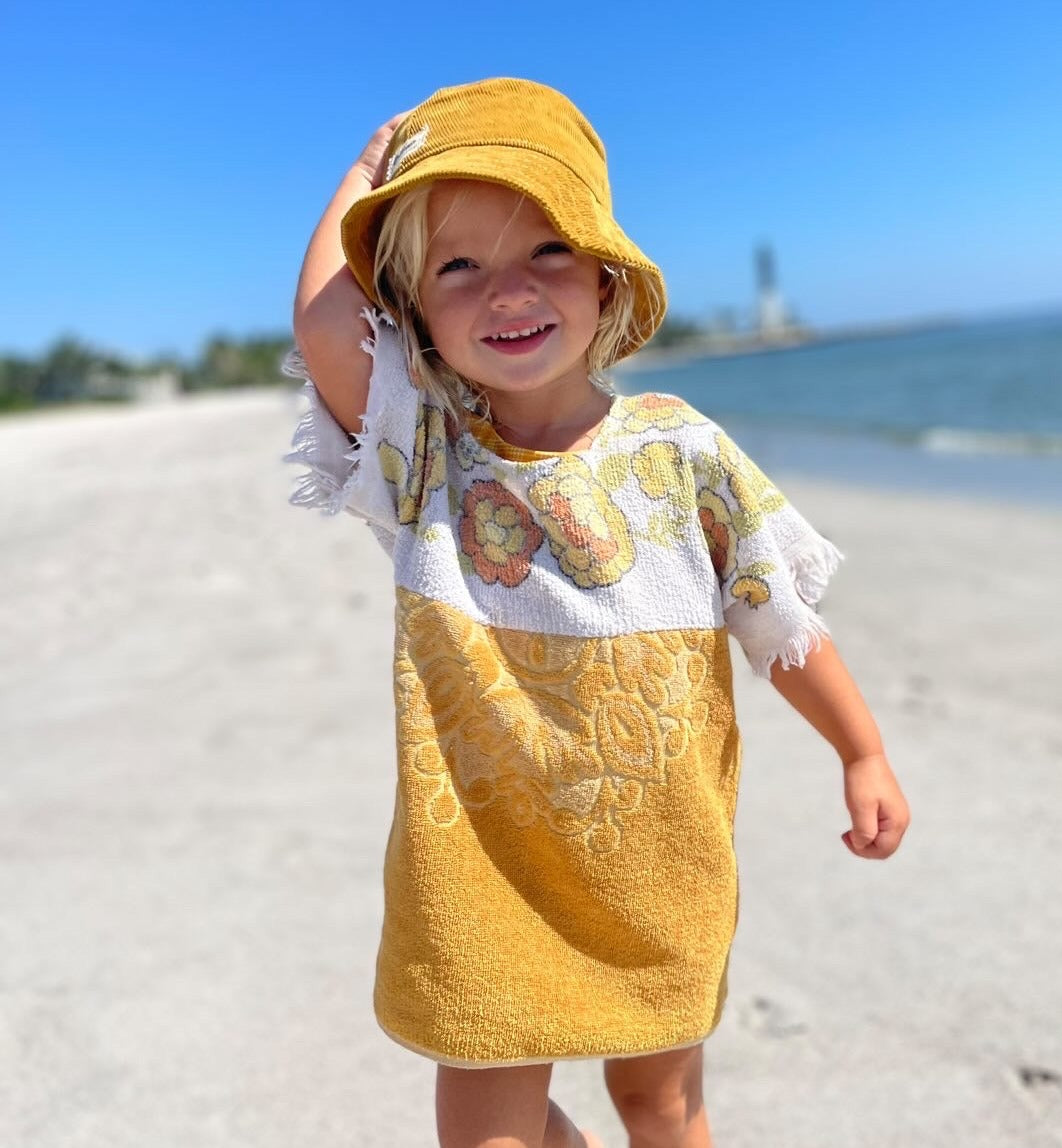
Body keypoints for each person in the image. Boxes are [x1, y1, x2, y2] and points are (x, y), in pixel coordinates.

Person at [286, 77, 909, 1148]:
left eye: (546, 252)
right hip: (478, 863)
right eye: (459, 266)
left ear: (604, 273)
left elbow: (776, 612)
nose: (507, 291)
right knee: (486, 1128)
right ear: (414, 307)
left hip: (653, 863)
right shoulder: (424, 454)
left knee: (657, 1103)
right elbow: (322, 322)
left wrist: (860, 749)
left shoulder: (682, 449)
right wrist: (362, 180)